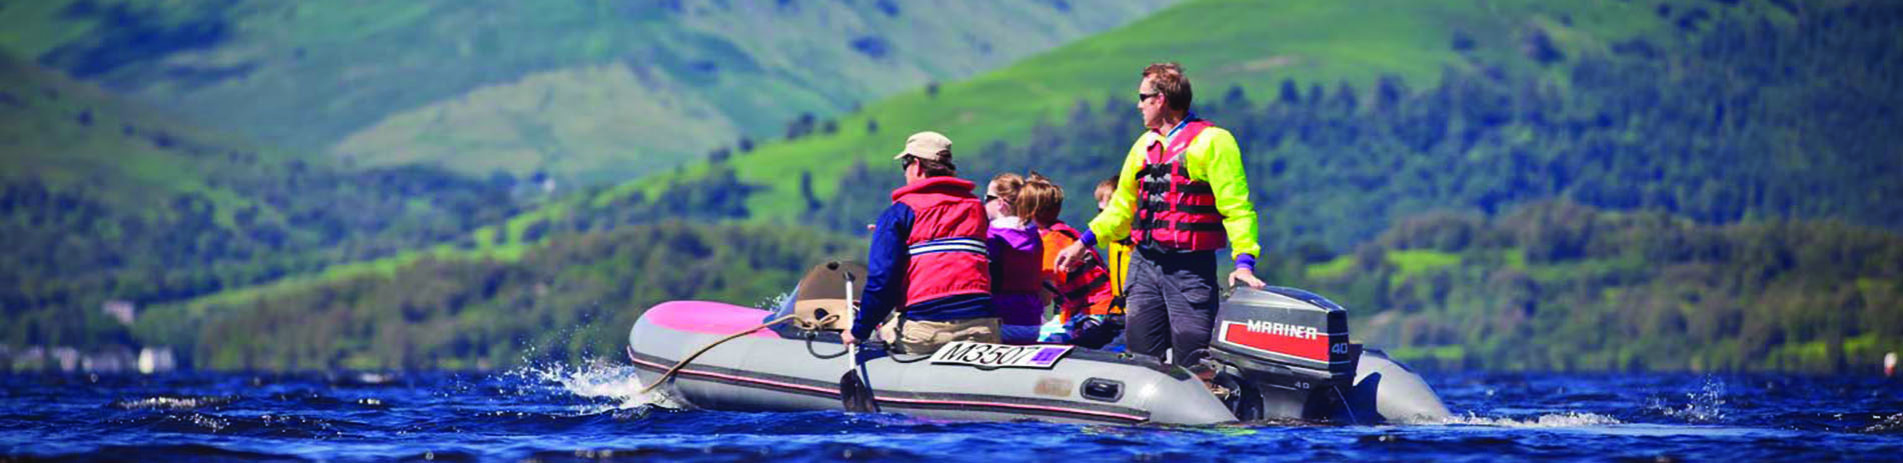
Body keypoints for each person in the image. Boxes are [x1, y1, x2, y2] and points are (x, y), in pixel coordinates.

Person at [1054, 62, 1266, 372]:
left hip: (1190, 269)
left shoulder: (1214, 142)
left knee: (1195, 361)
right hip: (1144, 264)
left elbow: (1237, 208)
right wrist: (1083, 244)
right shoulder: (1144, 145)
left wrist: (1244, 264)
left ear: (1161, 99)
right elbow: (1121, 208)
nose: (1138, 105)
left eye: (1143, 97)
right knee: (1140, 359)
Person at [842, 131, 1001, 354]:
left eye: (905, 165)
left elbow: (882, 283)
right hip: (983, 327)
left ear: (916, 165)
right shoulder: (976, 208)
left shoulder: (899, 214)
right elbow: (950, 246)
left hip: (927, 331)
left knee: (883, 332)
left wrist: (858, 331)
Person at [1019, 174, 1123, 349]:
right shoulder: (1061, 233)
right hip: (1085, 311)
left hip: (1096, 313)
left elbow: (1042, 295)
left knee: (1040, 345)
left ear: (1028, 213)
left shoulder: (1052, 242)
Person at [984, 173, 1045, 344]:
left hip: (1002, 322)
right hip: (1032, 324)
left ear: (1001, 203)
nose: (984, 203)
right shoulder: (1035, 236)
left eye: (987, 198)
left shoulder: (992, 237)